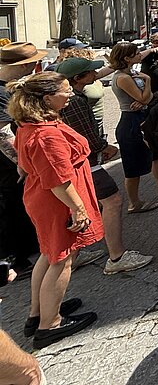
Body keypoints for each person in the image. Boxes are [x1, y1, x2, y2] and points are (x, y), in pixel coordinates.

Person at [8, 72, 103, 349]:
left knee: (49, 254)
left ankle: (37, 314)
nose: (71, 94)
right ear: (47, 98)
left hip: (44, 197)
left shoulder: (30, 125)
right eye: (65, 91)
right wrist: (79, 209)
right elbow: (58, 180)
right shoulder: (45, 134)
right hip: (57, 201)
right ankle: (50, 325)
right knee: (62, 259)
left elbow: (23, 167)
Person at [58, 57, 153, 275]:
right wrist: (104, 147)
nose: (95, 74)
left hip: (78, 161)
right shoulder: (75, 101)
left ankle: (77, 253)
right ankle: (117, 257)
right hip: (85, 161)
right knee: (112, 200)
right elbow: (85, 134)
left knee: (80, 205)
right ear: (77, 78)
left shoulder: (73, 96)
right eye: (89, 72)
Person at [0, 44, 44, 278]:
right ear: (25, 65)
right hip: (9, 168)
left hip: (14, 166)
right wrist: (24, 163)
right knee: (12, 208)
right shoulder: (1, 93)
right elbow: (2, 133)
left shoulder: (7, 89)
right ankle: (15, 261)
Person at [108, 42, 158, 214]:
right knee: (132, 167)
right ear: (127, 58)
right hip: (131, 122)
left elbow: (147, 98)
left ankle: (136, 200)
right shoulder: (122, 77)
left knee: (140, 163)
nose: (140, 55)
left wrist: (145, 97)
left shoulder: (130, 74)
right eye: (136, 53)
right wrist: (148, 81)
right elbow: (144, 98)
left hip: (139, 117)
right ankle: (134, 202)